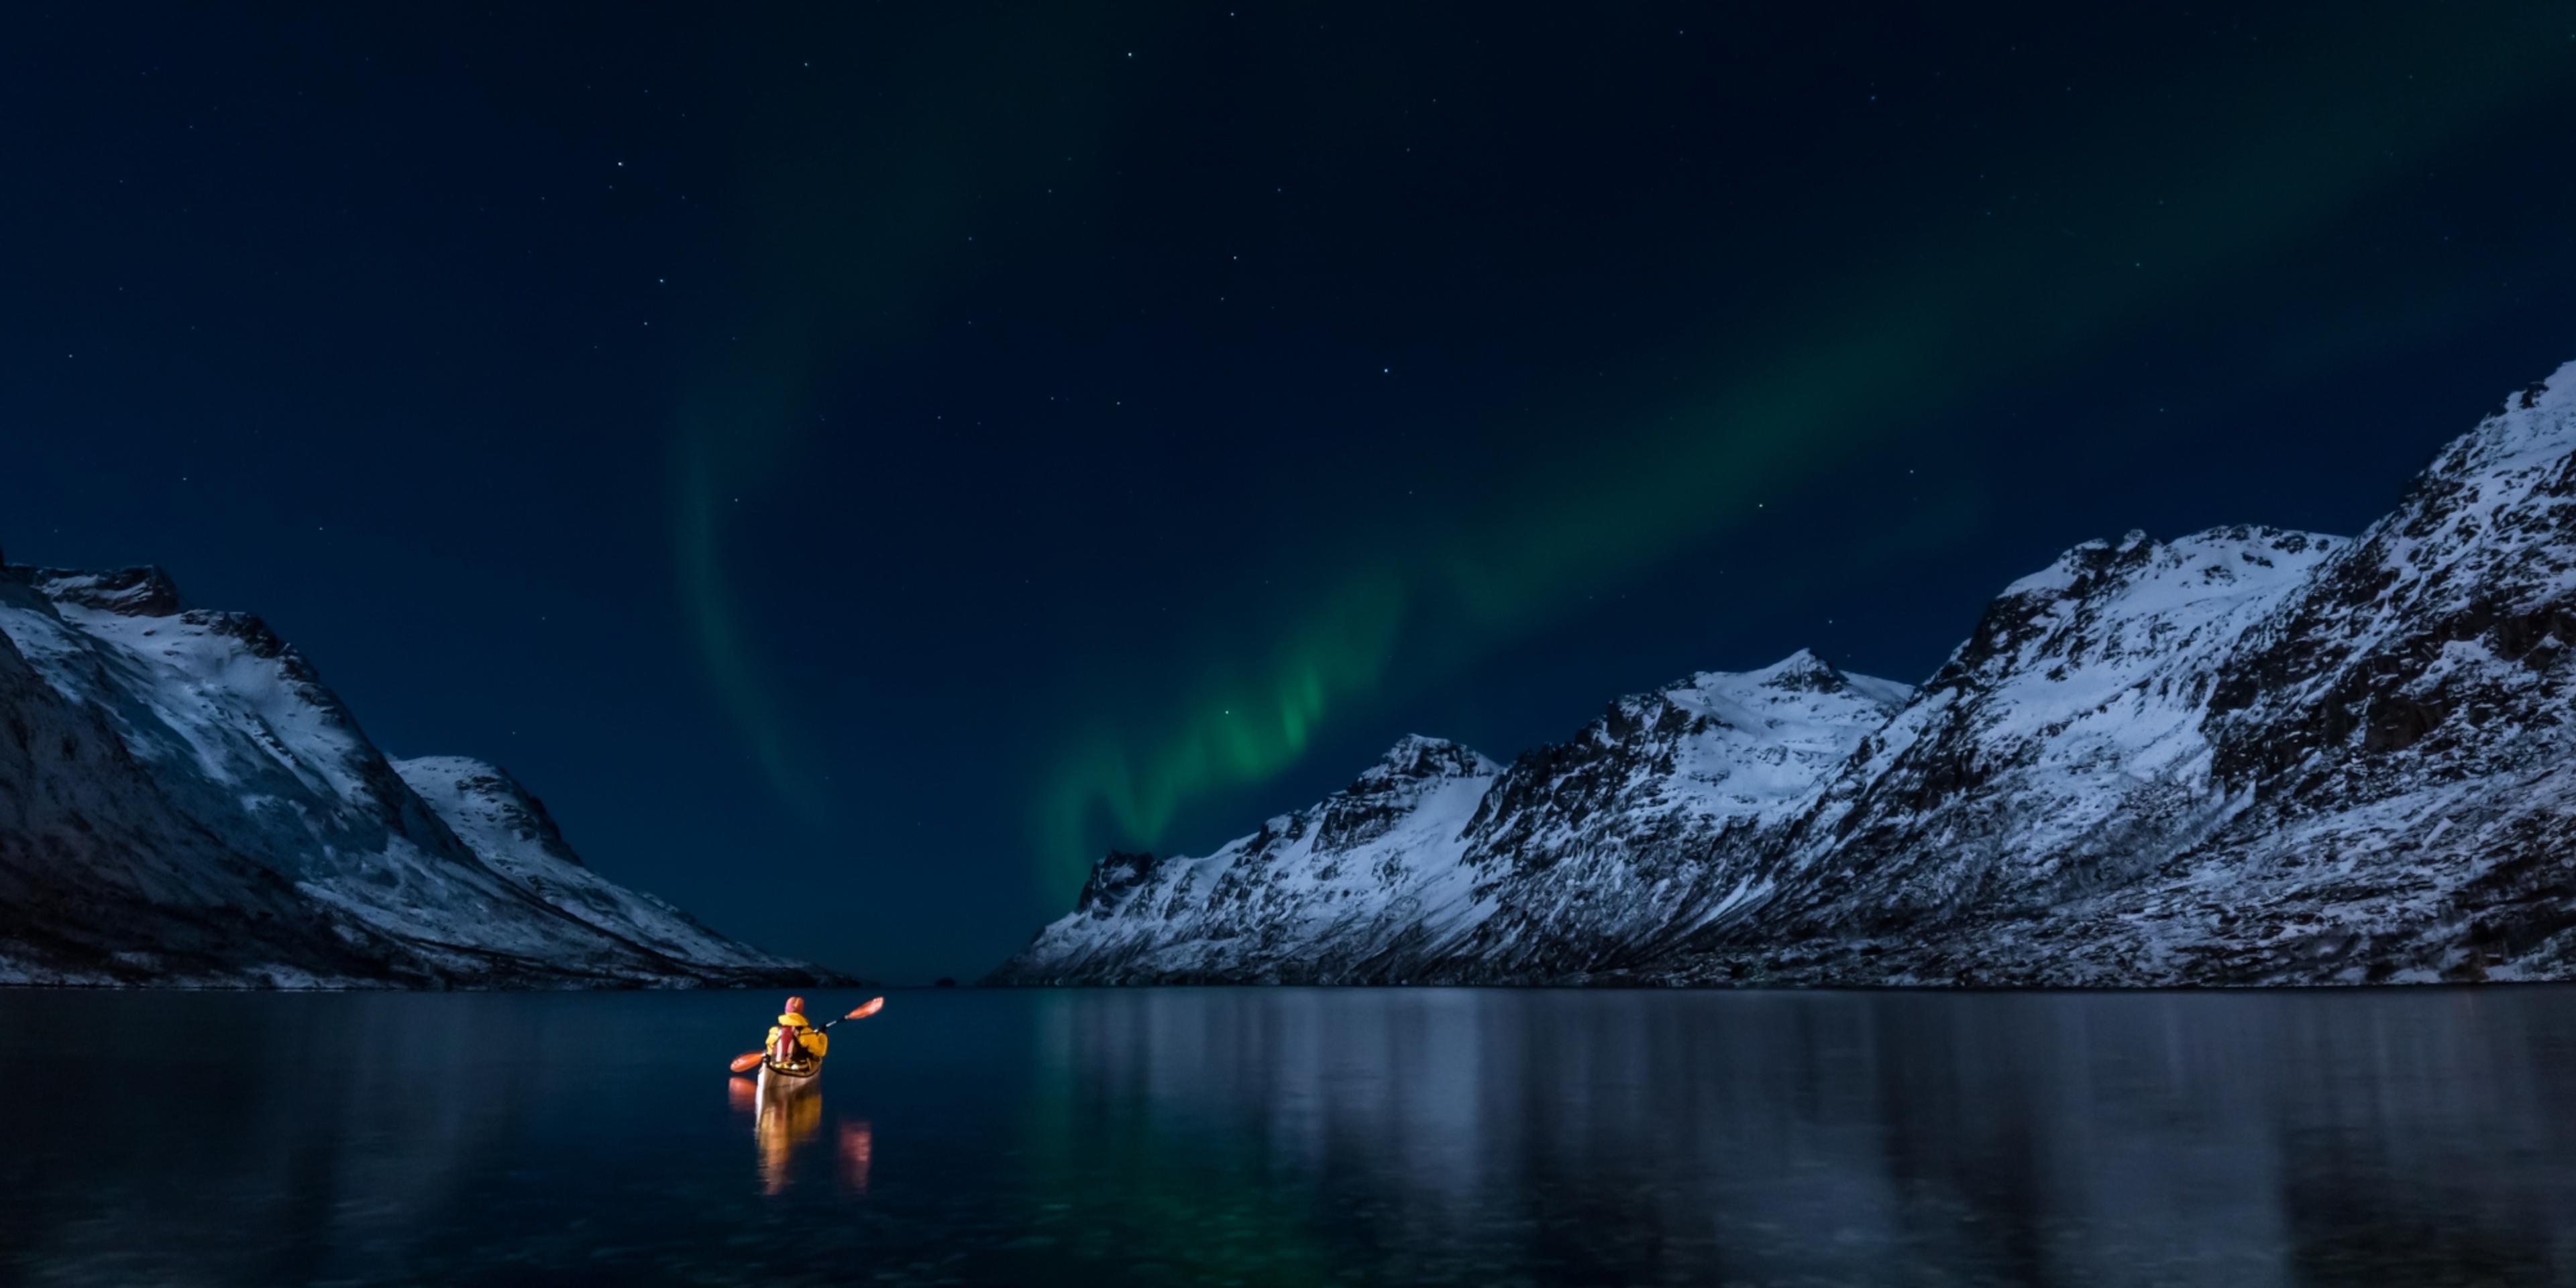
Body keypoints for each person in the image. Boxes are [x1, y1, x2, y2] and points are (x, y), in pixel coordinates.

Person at [765, 996, 829, 1069]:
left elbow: (770, 1051)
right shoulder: (807, 1033)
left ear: (786, 1011)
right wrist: (822, 1034)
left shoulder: (774, 1031)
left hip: (776, 1066)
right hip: (799, 1068)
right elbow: (821, 1052)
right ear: (801, 1012)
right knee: (815, 1058)